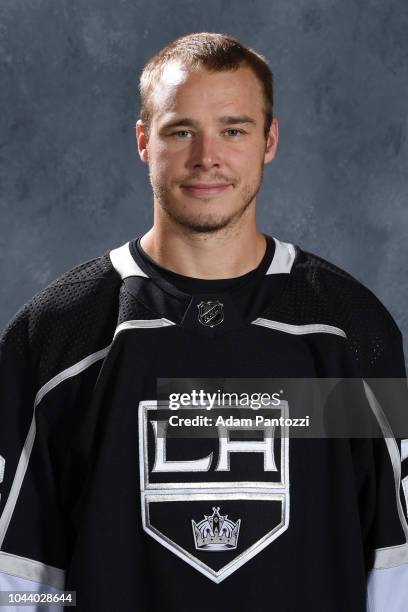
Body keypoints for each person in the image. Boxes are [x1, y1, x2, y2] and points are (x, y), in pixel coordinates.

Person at [0, 31, 407, 612]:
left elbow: (395, 563)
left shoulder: (345, 332)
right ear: (144, 141)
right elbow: (18, 577)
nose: (206, 157)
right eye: (181, 131)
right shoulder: (59, 336)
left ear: (269, 140)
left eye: (233, 130)